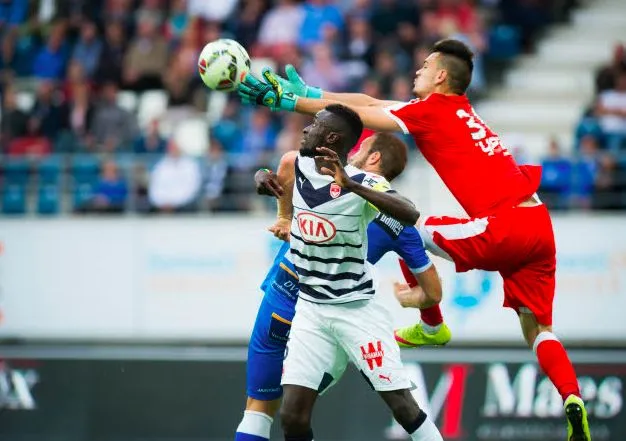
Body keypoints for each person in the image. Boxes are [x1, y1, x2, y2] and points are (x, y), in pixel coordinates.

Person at [238, 39, 591, 441]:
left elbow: (363, 112)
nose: (417, 70)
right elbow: (368, 101)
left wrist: (287, 102)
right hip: (538, 223)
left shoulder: (433, 112)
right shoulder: (455, 110)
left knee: (405, 225)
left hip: (504, 225)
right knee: (538, 327)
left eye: (424, 65)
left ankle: (432, 323)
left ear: (441, 75)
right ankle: (572, 397)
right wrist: (309, 94)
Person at [240, 104, 444, 441]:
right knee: (292, 417)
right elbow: (279, 172)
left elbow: (410, 212)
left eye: (315, 124)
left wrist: (350, 184)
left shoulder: (366, 183)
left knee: (403, 408)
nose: (306, 128)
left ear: (331, 137)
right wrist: (263, 181)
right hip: (310, 309)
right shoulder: (301, 163)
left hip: (356, 311)